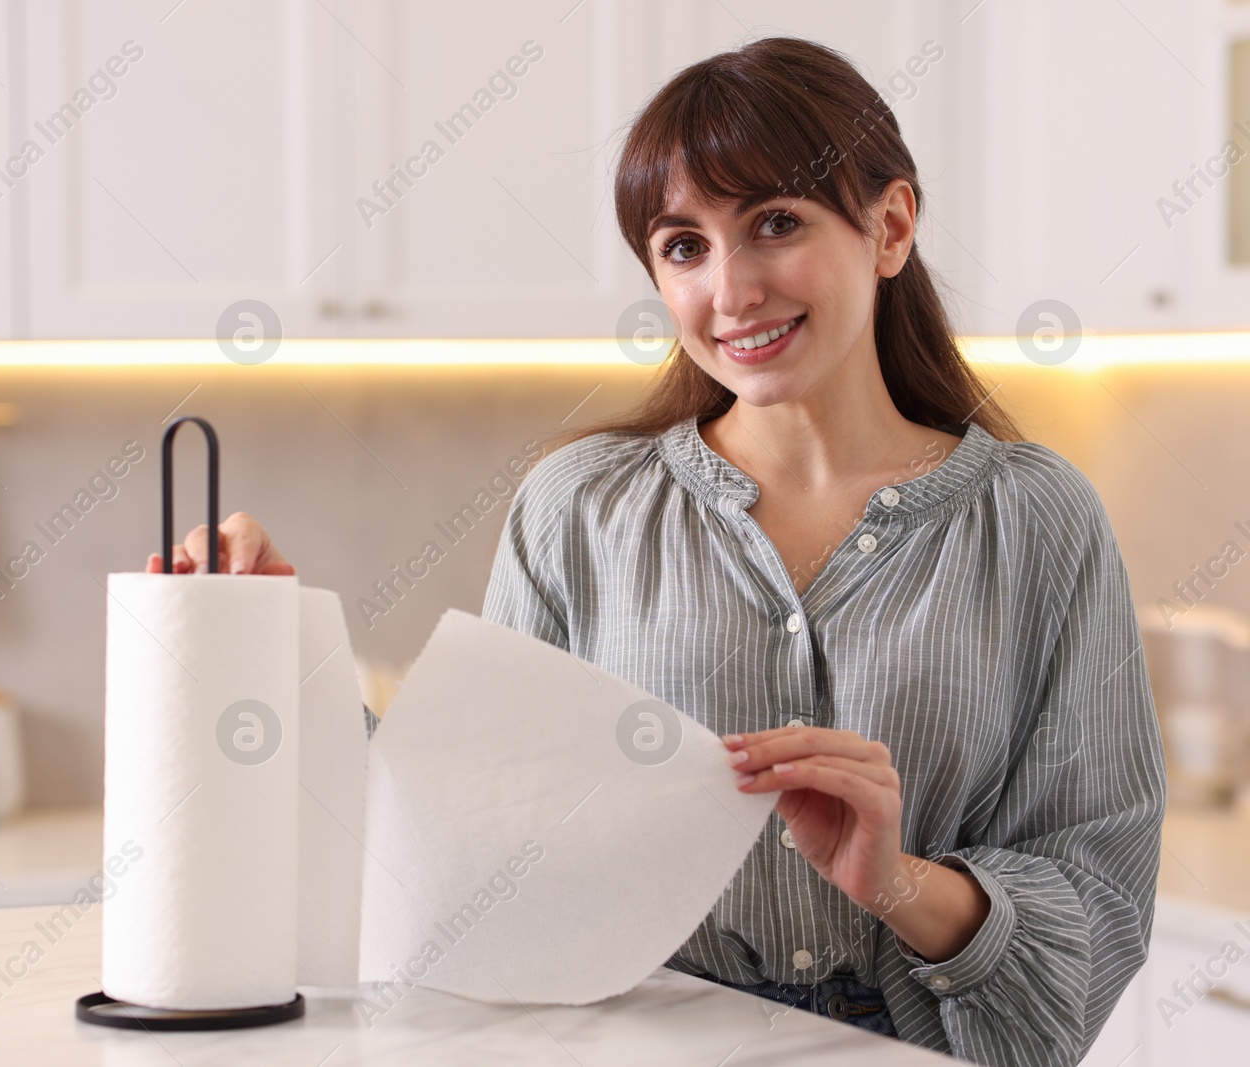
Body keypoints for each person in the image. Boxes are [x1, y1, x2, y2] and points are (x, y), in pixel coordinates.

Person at [148, 35, 1165, 1067]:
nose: (731, 290)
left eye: (775, 223)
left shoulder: (1037, 518)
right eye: (684, 245)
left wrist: (891, 877)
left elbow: (1099, 892)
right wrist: (274, 649)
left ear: (889, 226)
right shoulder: (578, 507)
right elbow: (458, 837)